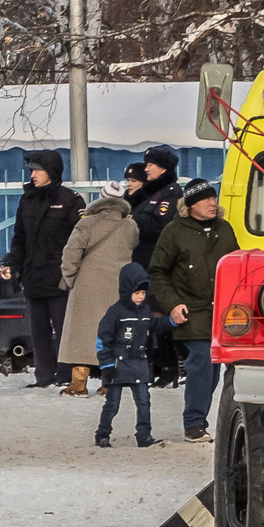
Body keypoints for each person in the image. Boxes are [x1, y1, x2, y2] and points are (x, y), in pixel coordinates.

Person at [149, 178, 234, 442]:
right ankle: (194, 424)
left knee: (213, 370)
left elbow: (234, 265)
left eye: (213, 197)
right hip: (190, 310)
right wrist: (172, 304)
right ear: (190, 205)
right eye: (205, 199)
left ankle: (199, 421)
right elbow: (158, 271)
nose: (212, 202)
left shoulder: (225, 229)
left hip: (220, 312)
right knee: (201, 361)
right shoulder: (174, 231)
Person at [7, 149, 86, 389]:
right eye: (31, 170)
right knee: (38, 330)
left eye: (37, 170)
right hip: (34, 277)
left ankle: (65, 377)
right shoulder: (27, 199)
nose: (32, 175)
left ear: (50, 172)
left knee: (64, 329)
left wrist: (72, 272)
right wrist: (14, 265)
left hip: (60, 278)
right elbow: (19, 237)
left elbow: (81, 240)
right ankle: (43, 376)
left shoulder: (71, 200)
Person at [59, 186, 139, 396]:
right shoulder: (130, 226)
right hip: (118, 287)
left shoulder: (86, 223)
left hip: (87, 285)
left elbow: (71, 253)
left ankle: (79, 384)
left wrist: (70, 277)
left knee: (82, 336)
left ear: (100, 199)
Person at [92, 262, 169, 448]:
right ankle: (102, 434)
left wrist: (171, 322)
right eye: (137, 293)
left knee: (144, 402)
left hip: (139, 363)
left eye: (143, 293)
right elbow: (102, 340)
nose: (141, 297)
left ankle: (144, 436)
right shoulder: (115, 312)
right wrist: (106, 366)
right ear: (127, 291)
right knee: (112, 404)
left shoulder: (144, 311)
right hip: (117, 366)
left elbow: (155, 325)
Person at [129, 147, 185, 385]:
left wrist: (135, 219)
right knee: (149, 316)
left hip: (157, 264)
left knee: (161, 316)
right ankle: (157, 367)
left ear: (163, 167)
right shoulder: (152, 192)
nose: (147, 169)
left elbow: (163, 227)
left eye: (150, 164)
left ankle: (171, 368)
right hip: (143, 262)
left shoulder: (170, 193)